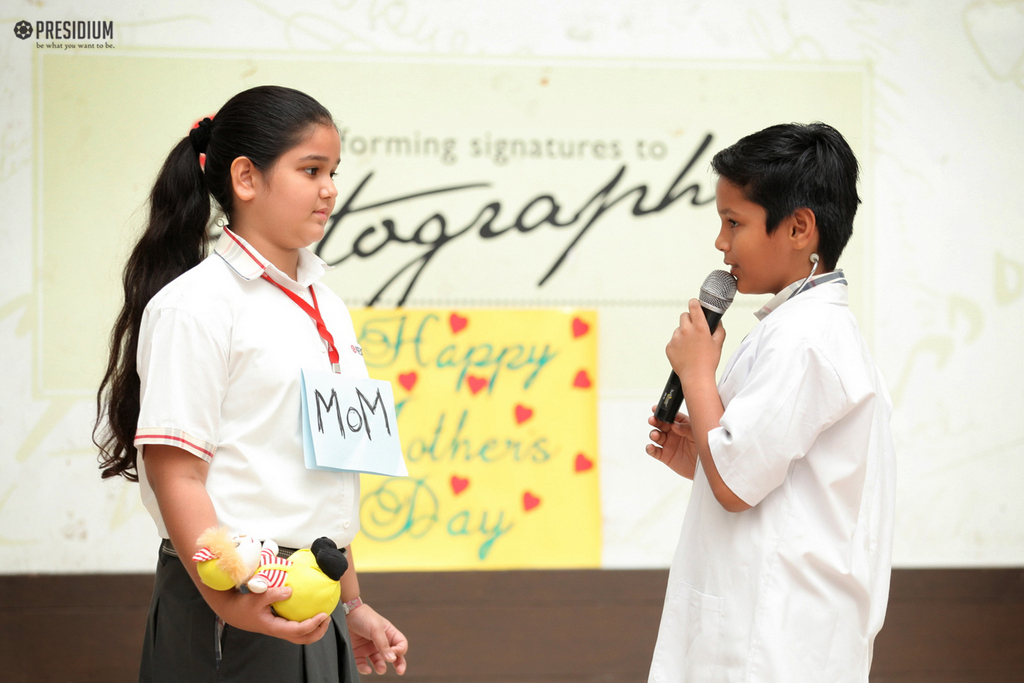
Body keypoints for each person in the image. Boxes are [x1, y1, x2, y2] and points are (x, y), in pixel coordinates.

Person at [94, 85, 408, 682]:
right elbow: (175, 473)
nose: (330, 189)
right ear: (245, 178)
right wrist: (228, 604)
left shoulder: (328, 305)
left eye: (333, 172)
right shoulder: (196, 306)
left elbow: (327, 472)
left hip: (317, 594)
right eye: (310, 169)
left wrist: (352, 603)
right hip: (237, 599)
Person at [644, 122, 896, 682]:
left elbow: (735, 487)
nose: (720, 242)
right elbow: (754, 476)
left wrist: (698, 373)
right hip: (764, 631)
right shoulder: (793, 327)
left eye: (734, 222)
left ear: (799, 228)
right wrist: (703, 457)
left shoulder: (808, 337)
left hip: (777, 644)